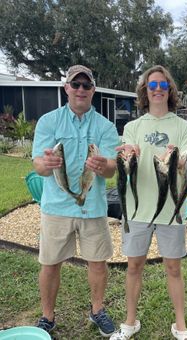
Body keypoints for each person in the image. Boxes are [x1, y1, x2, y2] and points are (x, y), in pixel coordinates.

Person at [32, 65, 119, 337]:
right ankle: (47, 316)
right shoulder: (48, 122)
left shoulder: (105, 126)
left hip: (92, 206)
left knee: (97, 262)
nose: (81, 89)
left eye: (86, 85)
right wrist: (46, 164)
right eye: (76, 84)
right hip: (56, 207)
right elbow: (39, 165)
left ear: (93, 89)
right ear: (66, 88)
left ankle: (97, 310)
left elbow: (111, 170)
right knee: (50, 263)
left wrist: (103, 165)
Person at [110, 65, 187, 340]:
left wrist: (182, 162)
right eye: (152, 86)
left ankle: (180, 326)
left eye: (162, 85)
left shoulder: (184, 127)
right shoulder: (133, 127)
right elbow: (127, 162)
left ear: (170, 90)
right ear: (144, 92)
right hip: (137, 208)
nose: (157, 90)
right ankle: (130, 322)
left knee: (174, 267)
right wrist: (128, 155)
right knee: (134, 266)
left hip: (172, 209)